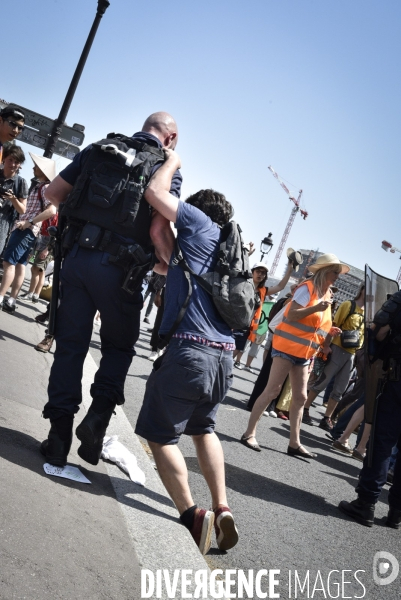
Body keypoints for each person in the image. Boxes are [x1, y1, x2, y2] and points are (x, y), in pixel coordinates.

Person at [40, 112, 181, 468]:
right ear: (171, 138)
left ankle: (58, 437)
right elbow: (157, 230)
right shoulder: (165, 167)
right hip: (121, 272)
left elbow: (53, 192)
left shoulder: (99, 148)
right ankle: (97, 420)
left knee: (70, 346)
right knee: (118, 347)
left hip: (76, 260)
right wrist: (166, 263)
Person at [135, 149, 239, 555]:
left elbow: (153, 193)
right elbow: (165, 255)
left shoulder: (200, 223)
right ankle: (223, 506)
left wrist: (173, 161)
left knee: (160, 438)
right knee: (203, 429)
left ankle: (192, 515)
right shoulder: (230, 248)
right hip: (223, 357)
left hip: (190, 353)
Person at [240, 253, 348, 458]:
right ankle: (248, 433)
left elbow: (315, 324)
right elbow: (292, 314)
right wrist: (316, 308)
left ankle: (294, 443)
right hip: (287, 348)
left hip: (304, 352)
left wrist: (330, 330)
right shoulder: (308, 288)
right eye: (335, 272)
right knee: (272, 391)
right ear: (325, 271)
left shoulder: (326, 294)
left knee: (300, 397)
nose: (337, 276)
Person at [339, 290, 401, 529]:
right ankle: (396, 513)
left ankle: (365, 504)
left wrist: (378, 354)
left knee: (382, 443)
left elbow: (378, 330)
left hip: (397, 382)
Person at [0, 154, 56, 314]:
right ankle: (11, 300)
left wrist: (29, 222)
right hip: (30, 231)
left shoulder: (44, 187)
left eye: (36, 166)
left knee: (8, 263)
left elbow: (51, 210)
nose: (33, 168)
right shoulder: (42, 187)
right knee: (20, 265)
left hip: (25, 230)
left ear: (43, 170)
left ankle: (2, 296)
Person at [303, 285, 365, 430]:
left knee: (340, 389)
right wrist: (326, 346)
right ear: (361, 289)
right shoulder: (349, 305)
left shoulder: (368, 313)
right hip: (337, 348)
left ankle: (326, 418)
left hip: (352, 354)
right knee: (322, 382)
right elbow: (333, 326)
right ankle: (304, 409)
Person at [233, 261, 293, 372]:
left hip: (246, 327)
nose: (260, 274)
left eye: (263, 273)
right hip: (233, 323)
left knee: (234, 352)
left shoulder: (263, 291)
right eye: (258, 271)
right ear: (252, 272)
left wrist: (289, 270)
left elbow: (280, 286)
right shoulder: (242, 284)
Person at [0, 144, 28, 258]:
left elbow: (22, 210)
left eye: (16, 162)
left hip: (3, 222)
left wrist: (13, 198)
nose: (12, 164)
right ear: (4, 159)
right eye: (10, 160)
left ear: (20, 165)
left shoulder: (20, 182)